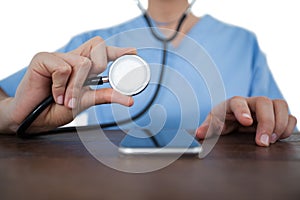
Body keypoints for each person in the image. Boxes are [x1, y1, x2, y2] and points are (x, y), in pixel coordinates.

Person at [0, 0, 297, 147]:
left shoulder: (243, 42)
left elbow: (282, 131)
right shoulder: (93, 43)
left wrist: (260, 123)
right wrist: (10, 114)